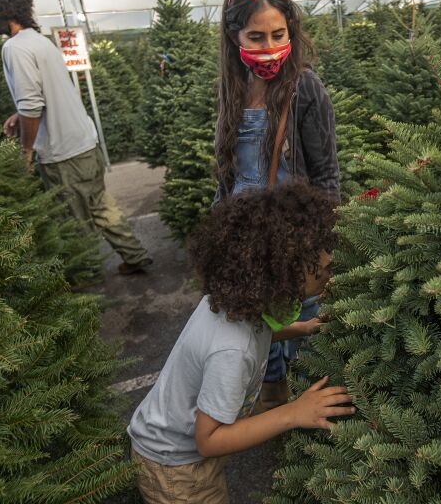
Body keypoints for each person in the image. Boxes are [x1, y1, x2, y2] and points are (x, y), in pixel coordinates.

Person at [128, 182, 353, 503]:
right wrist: (294, 412)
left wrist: (301, 328)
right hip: (177, 469)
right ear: (285, 270)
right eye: (324, 267)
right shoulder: (232, 351)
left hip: (175, 449)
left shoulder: (235, 301)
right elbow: (209, 440)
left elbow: (260, 333)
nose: (330, 270)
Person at [0, 0, 152, 275]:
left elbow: (32, 105)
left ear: (4, 9)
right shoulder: (39, 41)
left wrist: (26, 152)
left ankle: (86, 280)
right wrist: (19, 114)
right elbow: (46, 93)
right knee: (101, 206)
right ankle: (135, 255)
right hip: (85, 143)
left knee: (73, 220)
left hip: (63, 154)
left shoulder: (15, 48)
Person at [213, 0, 339, 407]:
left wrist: (322, 244)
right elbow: (227, 171)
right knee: (255, 314)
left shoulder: (305, 88)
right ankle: (271, 390)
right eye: (256, 37)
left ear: (291, 32)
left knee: (302, 315)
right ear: (235, 38)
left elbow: (324, 174)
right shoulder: (232, 88)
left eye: (278, 35)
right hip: (246, 230)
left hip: (296, 230)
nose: (269, 46)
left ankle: (307, 401)